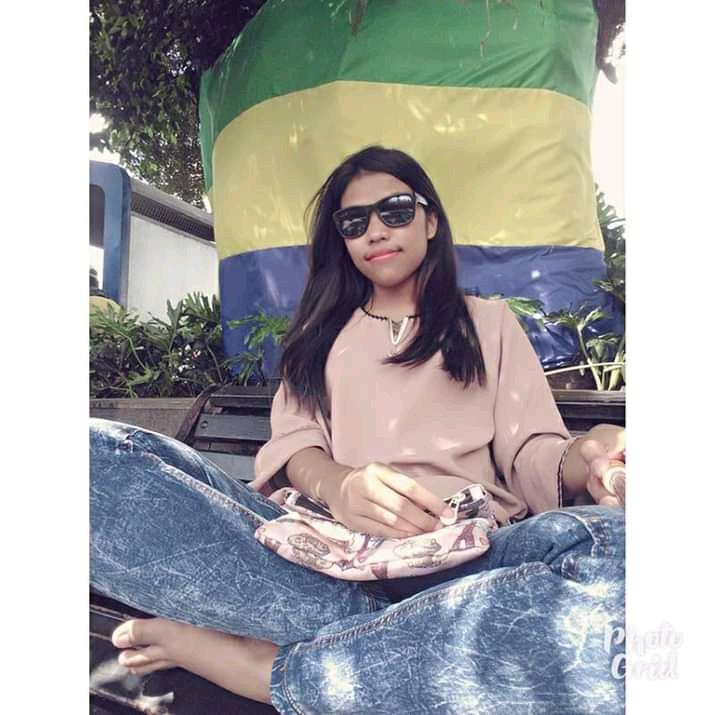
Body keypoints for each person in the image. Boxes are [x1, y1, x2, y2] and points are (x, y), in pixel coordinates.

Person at [90, 146, 625, 713]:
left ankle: (275, 668)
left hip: (471, 565)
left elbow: (532, 450)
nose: (375, 231)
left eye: (395, 210)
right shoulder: (318, 335)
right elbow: (296, 447)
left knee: (622, 549)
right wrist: (341, 485)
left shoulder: (488, 324)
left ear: (430, 220)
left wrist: (591, 454)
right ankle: (403, 644)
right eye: (354, 222)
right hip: (323, 561)